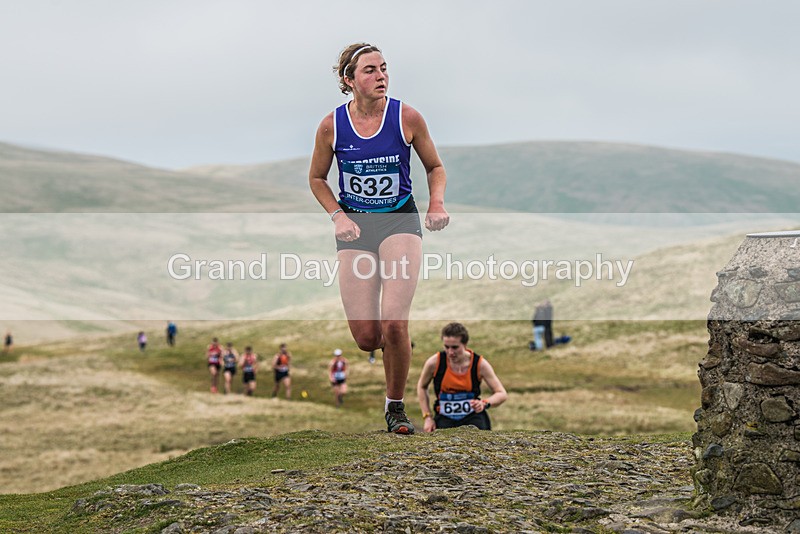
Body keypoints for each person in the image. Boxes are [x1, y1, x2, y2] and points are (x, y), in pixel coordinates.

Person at [308, 42, 449, 434]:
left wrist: (436, 203)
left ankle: (396, 407)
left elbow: (434, 166)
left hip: (398, 222)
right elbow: (317, 179)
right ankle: (393, 351)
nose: (381, 76)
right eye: (370, 70)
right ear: (349, 80)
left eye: (384, 68)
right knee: (368, 337)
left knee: (394, 324)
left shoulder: (407, 117)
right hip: (355, 228)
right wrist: (337, 216)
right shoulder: (331, 126)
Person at [417, 322, 508, 432]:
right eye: (447, 347)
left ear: (465, 344)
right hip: (444, 417)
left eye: (455, 347)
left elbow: (501, 393)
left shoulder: (479, 364)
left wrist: (484, 403)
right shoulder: (434, 362)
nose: (450, 352)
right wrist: (427, 417)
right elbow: (422, 386)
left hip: (473, 416)